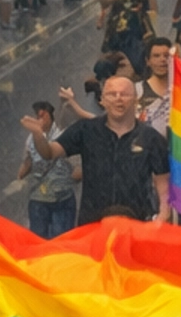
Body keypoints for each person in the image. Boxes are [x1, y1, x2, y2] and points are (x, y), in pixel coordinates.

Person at [37, 75, 170, 224]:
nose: (118, 99)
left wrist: (163, 215)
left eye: (125, 94)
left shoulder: (151, 138)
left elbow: (163, 184)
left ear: (135, 100)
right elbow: (49, 152)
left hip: (137, 225)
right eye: (112, 94)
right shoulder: (85, 130)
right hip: (93, 225)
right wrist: (38, 135)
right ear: (102, 100)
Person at [18, 101, 79, 237]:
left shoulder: (63, 137)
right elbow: (28, 160)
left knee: (60, 241)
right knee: (38, 241)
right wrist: (21, 174)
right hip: (38, 197)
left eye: (43, 116)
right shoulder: (30, 139)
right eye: (38, 117)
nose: (40, 120)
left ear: (50, 116)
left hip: (61, 198)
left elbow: (76, 170)